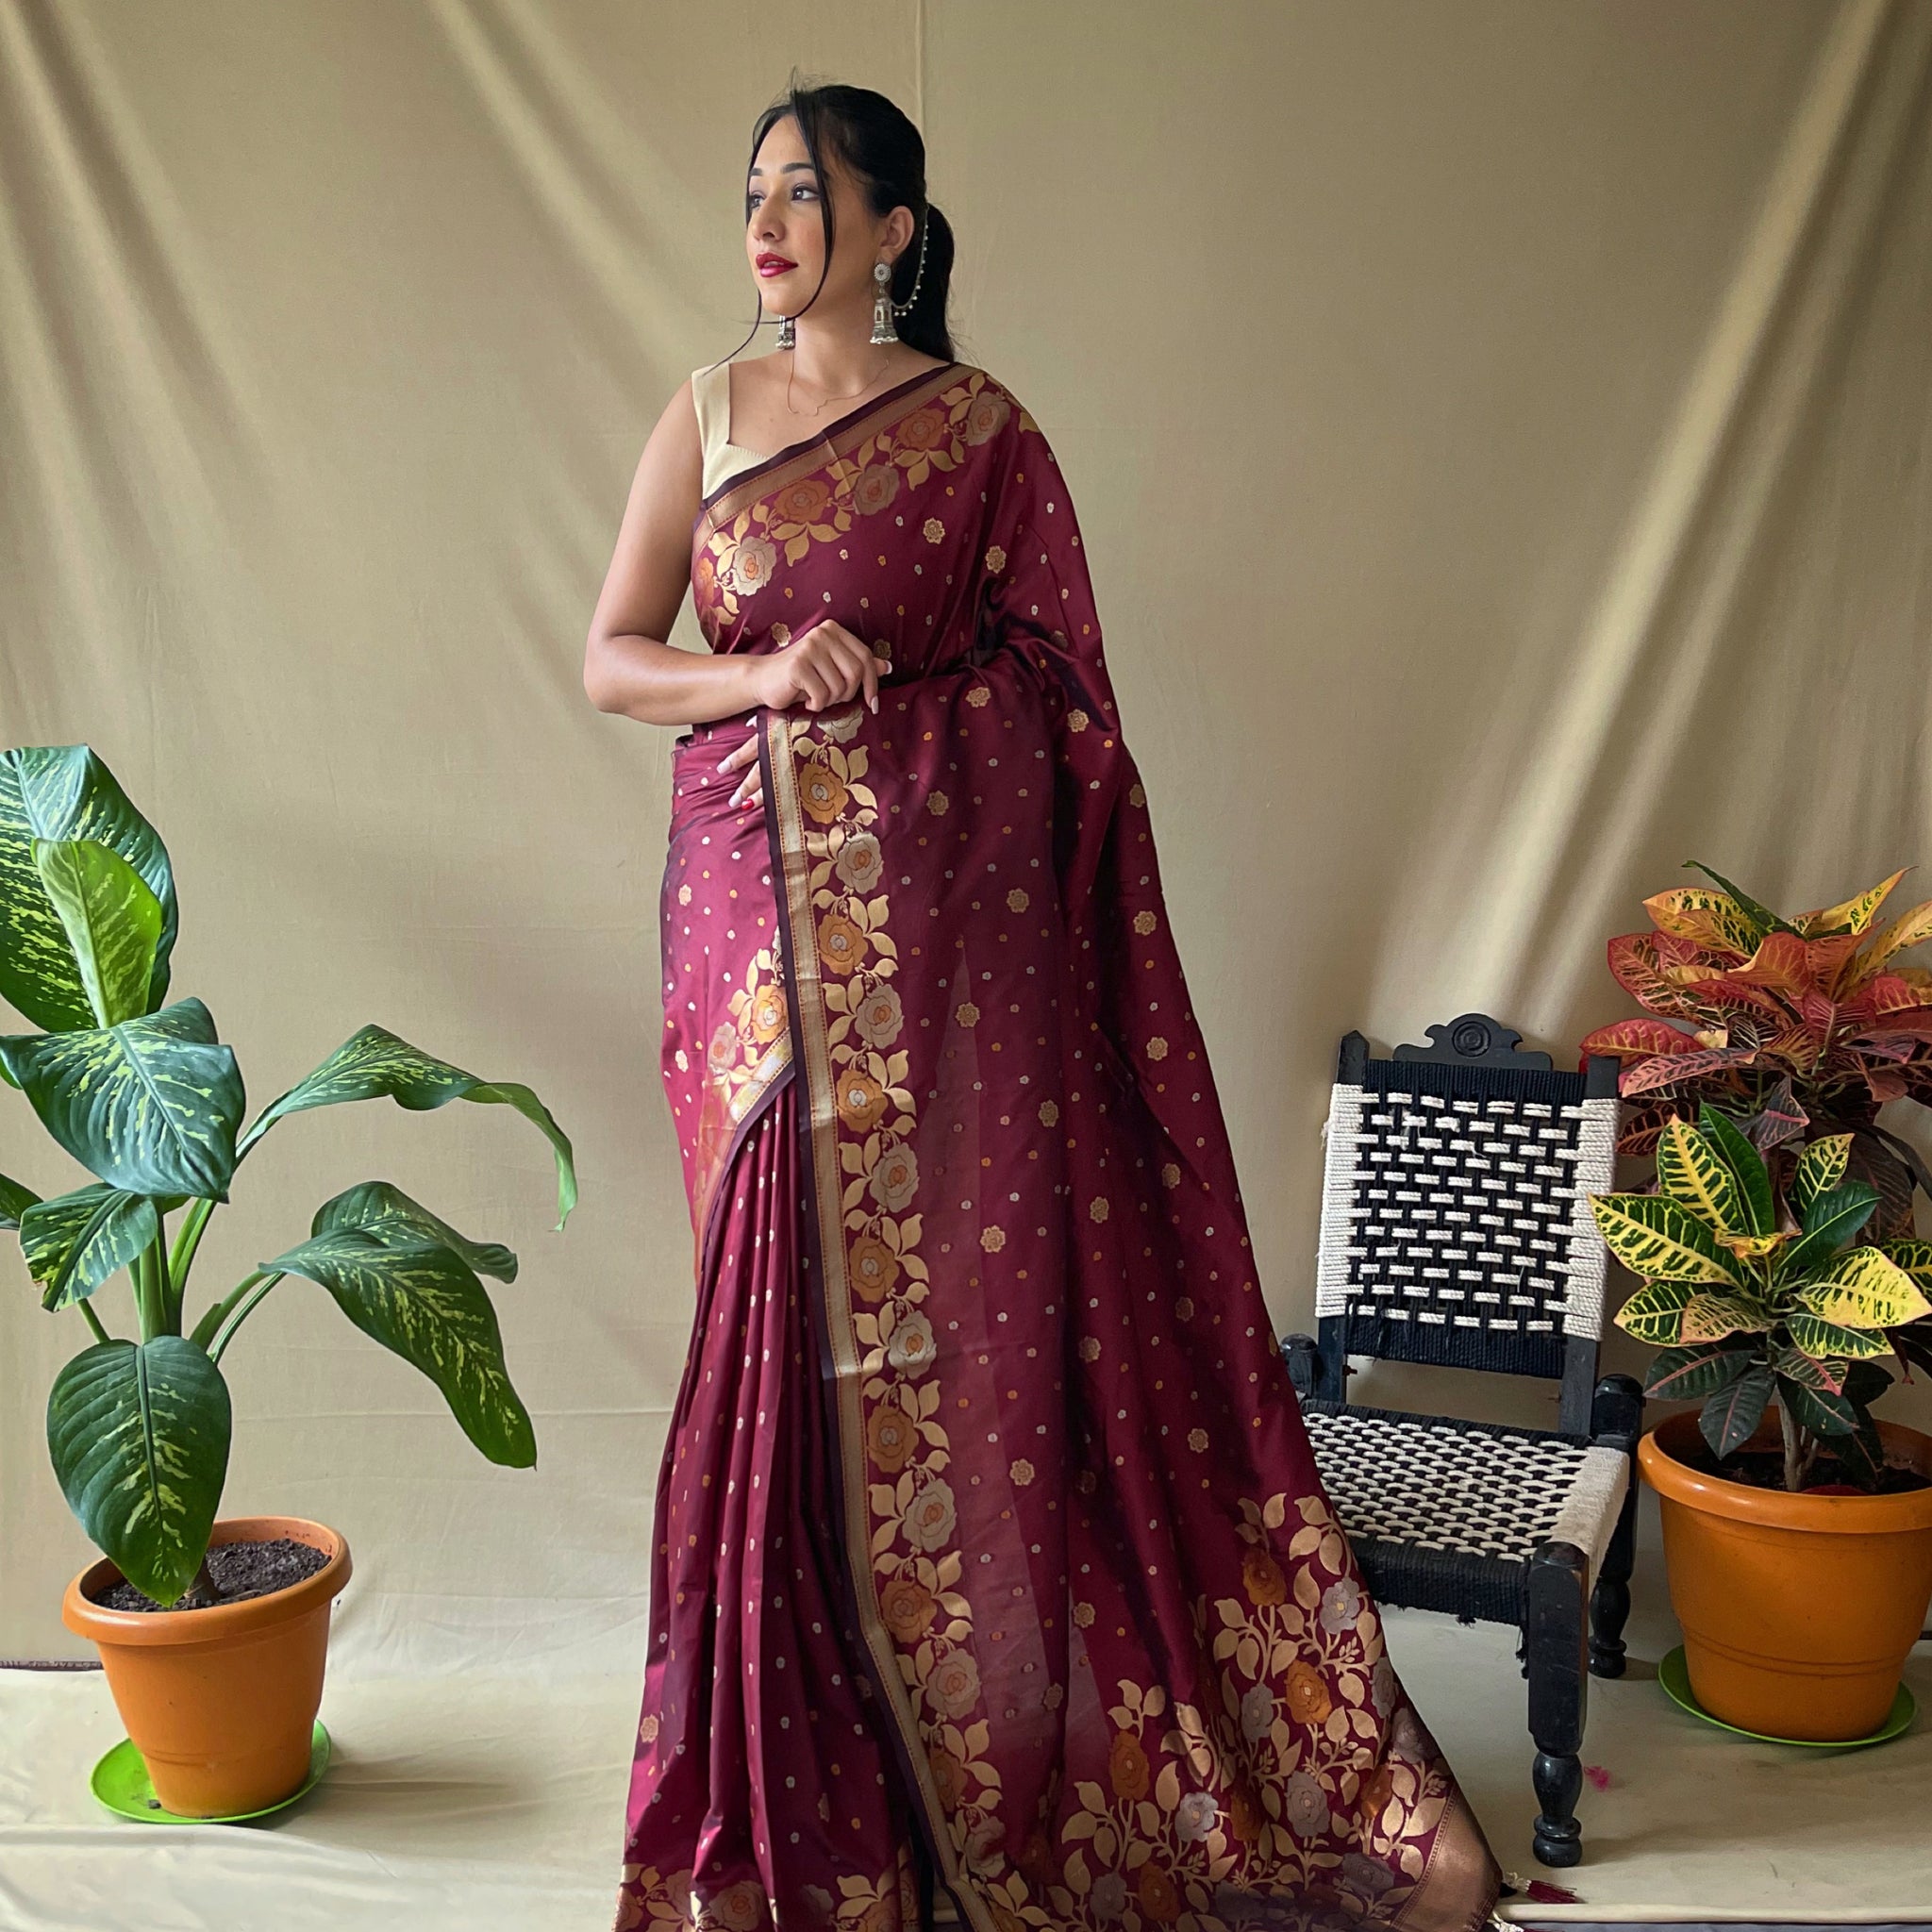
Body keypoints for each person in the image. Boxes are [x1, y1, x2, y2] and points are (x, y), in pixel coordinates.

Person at [584, 79, 1502, 1932]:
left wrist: (904, 744)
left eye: (805, 195)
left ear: (895, 232)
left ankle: (988, 1756)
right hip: (756, 973)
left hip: (950, 971)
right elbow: (614, 662)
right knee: (769, 1357)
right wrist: (765, 673)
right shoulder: (701, 416)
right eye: (751, 194)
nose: (764, 226)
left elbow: (1064, 707)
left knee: (984, 1359)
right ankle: (791, 1804)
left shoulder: (983, 436)